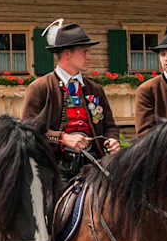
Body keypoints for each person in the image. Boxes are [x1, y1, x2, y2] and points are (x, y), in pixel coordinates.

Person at [22, 20, 120, 182]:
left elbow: (110, 126)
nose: (89, 56)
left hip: (95, 164)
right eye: (84, 52)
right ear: (67, 54)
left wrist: (113, 140)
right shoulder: (39, 88)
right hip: (53, 167)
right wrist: (63, 138)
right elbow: (28, 131)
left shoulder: (95, 89)